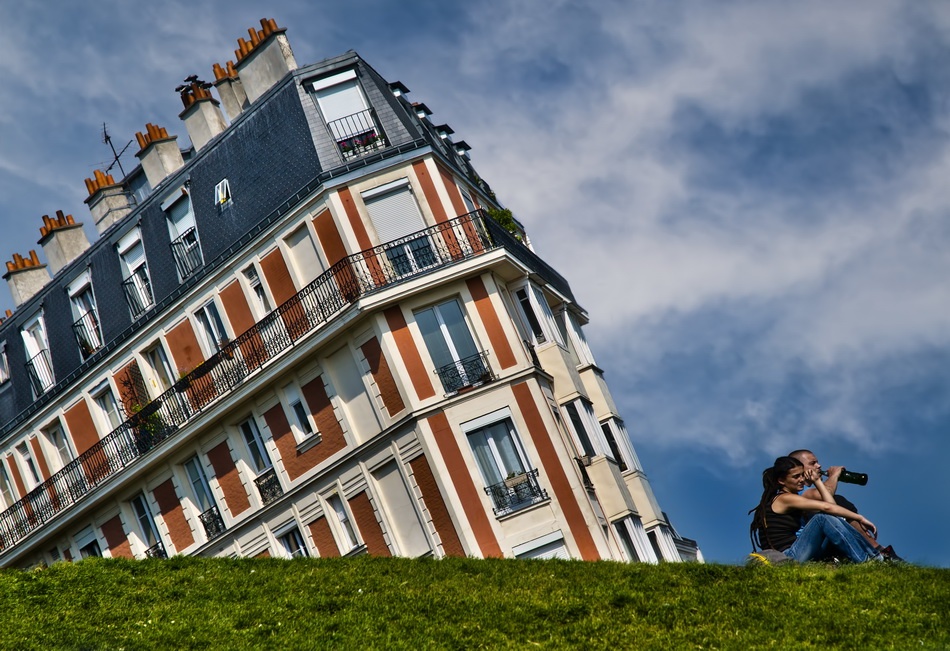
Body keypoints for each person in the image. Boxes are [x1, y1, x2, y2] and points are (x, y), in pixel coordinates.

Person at [750, 456, 884, 563]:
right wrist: (859, 517)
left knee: (830, 517)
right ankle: (867, 560)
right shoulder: (783, 498)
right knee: (821, 519)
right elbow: (827, 507)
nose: (801, 479)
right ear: (781, 481)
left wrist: (817, 482)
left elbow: (832, 507)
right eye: (796, 477)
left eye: (802, 475)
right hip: (789, 556)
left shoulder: (791, 497)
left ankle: (875, 557)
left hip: (800, 551)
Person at [789, 448, 902, 561]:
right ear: (798, 467)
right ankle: (878, 551)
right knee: (838, 503)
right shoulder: (796, 494)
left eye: (817, 462)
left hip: (818, 545)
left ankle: (877, 551)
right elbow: (828, 499)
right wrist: (834, 475)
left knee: (840, 506)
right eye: (812, 463)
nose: (819, 466)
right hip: (803, 549)